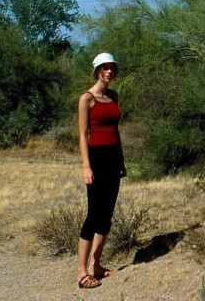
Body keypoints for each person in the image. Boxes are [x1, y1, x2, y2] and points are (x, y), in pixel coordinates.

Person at [76, 52, 127, 289]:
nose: (109, 72)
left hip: (113, 158)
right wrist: (87, 166)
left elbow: (115, 132)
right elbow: (83, 135)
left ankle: (96, 265)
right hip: (95, 159)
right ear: (97, 70)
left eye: (111, 68)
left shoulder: (114, 96)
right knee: (93, 215)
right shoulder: (87, 98)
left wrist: (121, 161)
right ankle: (81, 272)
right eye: (104, 68)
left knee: (106, 215)